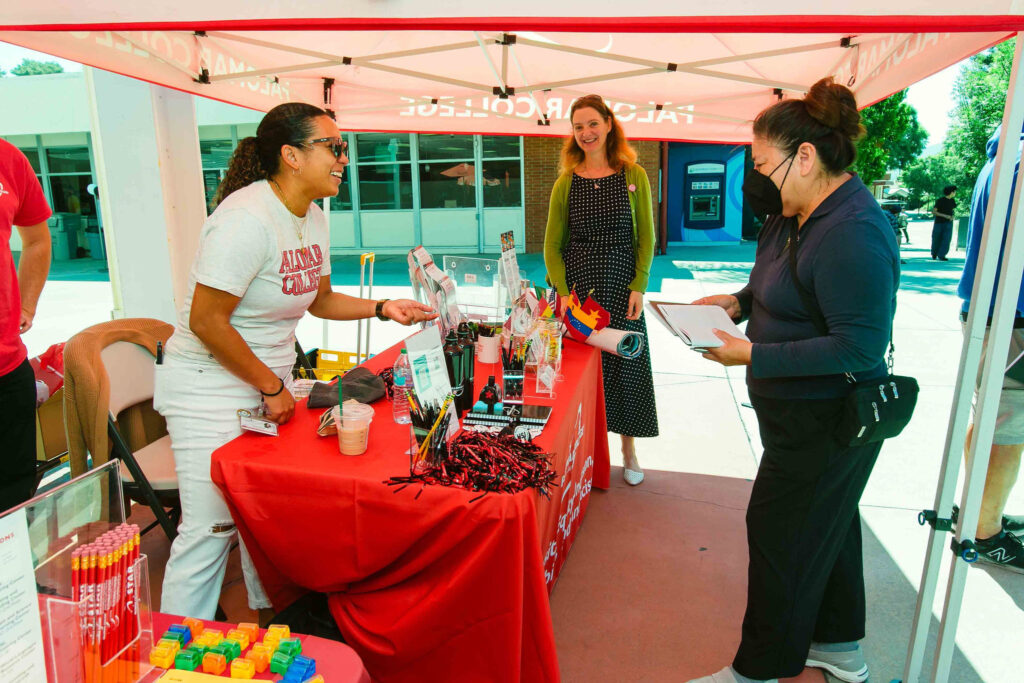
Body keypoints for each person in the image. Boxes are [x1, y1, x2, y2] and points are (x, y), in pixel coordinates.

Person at [153, 102, 435, 620]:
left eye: (342, 148)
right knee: (212, 528)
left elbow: (320, 299)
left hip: (265, 380)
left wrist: (382, 308)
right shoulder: (245, 220)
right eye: (333, 147)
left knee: (263, 514)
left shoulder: (314, 216)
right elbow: (208, 321)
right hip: (207, 386)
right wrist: (271, 386)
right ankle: (172, 653)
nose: (343, 159)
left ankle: (270, 623)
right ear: (290, 155)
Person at [688, 78, 899, 683]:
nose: (754, 179)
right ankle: (838, 648)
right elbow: (767, 286)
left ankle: (757, 670)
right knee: (827, 528)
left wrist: (753, 357)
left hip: (827, 419)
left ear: (804, 157)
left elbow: (856, 345)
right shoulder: (791, 215)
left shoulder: (853, 230)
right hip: (793, 416)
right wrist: (732, 303)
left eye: (761, 164)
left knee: (780, 534)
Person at [543, 94, 658, 486]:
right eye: (578, 127)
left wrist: (640, 285)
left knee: (625, 366)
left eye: (593, 123)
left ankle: (628, 448)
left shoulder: (634, 176)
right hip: (579, 295)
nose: (586, 132)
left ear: (609, 124)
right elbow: (551, 245)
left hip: (622, 287)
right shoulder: (566, 182)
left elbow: (647, 237)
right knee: (581, 375)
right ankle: (585, 451)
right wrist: (562, 292)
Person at [954, 123, 1024, 572]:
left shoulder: (1004, 155)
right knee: (1008, 428)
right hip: (1013, 316)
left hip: (995, 311)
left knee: (993, 420)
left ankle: (979, 512)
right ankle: (984, 529)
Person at [0, 139, 52, 512]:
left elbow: (36, 238)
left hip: (7, 366)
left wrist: (27, 303)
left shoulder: (7, 157)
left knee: (13, 496)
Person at [932, 184, 957, 260]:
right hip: (939, 222)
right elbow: (934, 212)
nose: (955, 193)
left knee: (946, 239)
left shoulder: (952, 201)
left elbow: (952, 210)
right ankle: (934, 253)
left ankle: (942, 255)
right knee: (936, 238)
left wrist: (952, 216)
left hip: (949, 222)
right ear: (951, 192)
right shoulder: (940, 200)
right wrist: (945, 216)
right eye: (954, 192)